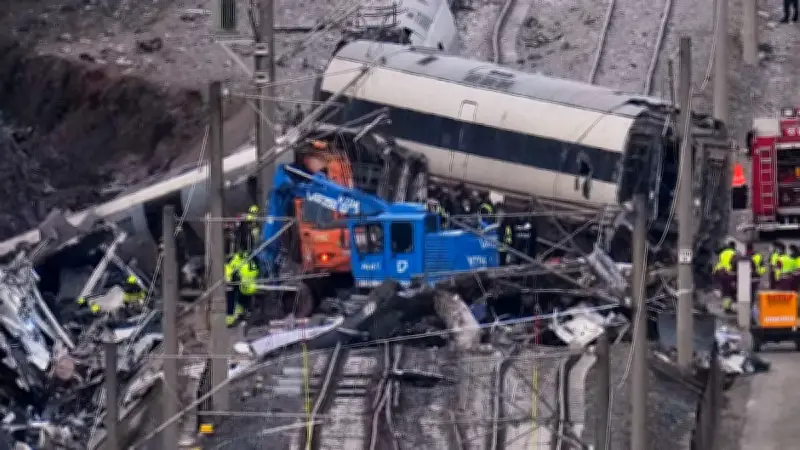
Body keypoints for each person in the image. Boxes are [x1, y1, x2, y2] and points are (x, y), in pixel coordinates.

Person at [224, 251, 259, 326]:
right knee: (233, 290)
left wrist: (232, 279)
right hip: (249, 285)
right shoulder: (252, 258)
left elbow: (228, 275)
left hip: (245, 286)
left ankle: (233, 315)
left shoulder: (235, 260)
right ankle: (240, 313)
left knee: (232, 292)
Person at [713, 242, 738, 312]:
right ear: (734, 247)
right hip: (730, 274)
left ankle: (726, 306)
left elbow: (720, 262)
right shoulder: (734, 253)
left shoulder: (723, 253)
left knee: (725, 291)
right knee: (731, 291)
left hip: (720, 272)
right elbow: (735, 264)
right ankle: (729, 307)